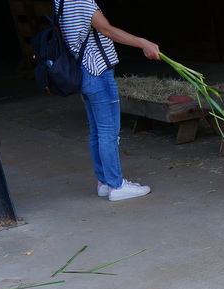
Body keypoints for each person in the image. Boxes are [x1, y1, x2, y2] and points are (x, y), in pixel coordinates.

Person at [58, 0, 160, 201]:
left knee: (96, 131)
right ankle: (116, 185)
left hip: (84, 73)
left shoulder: (60, 1)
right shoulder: (81, 0)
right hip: (98, 72)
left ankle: (104, 182)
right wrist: (142, 42)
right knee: (108, 132)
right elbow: (106, 29)